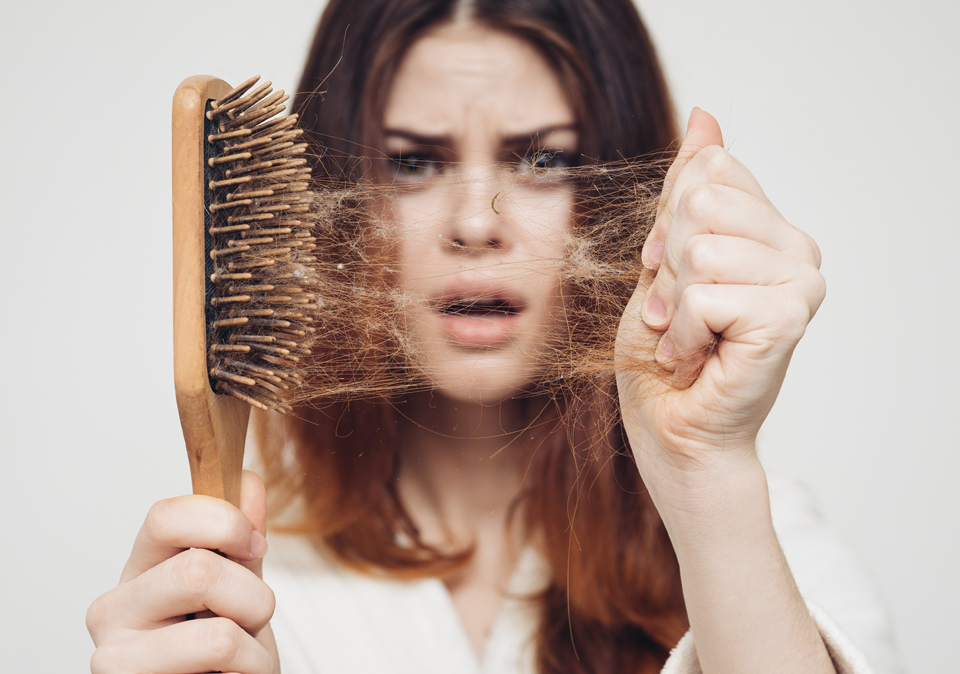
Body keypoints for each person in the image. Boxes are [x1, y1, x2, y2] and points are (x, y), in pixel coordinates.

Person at [86, 1, 896, 673]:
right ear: (328, 203)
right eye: (412, 162)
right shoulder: (229, 581)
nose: (476, 224)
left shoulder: (758, 541)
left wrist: (705, 471)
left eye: (543, 160)